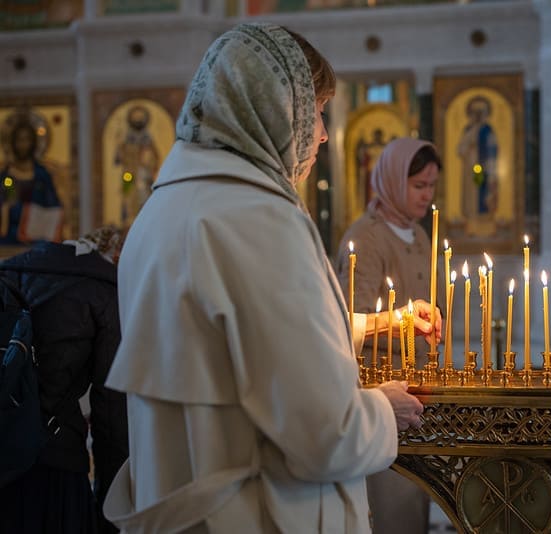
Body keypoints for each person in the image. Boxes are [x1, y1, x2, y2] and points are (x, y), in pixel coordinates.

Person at [102, 23, 438, 533]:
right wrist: (382, 411)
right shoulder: (261, 221)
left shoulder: (159, 212)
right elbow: (327, 435)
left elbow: (232, 346)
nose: (323, 134)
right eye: (317, 112)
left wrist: (373, 324)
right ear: (276, 110)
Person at [335, 137, 443, 534]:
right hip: (380, 385)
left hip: (417, 386)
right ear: (394, 182)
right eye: (418, 185)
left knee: (416, 499)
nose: (426, 195)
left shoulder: (419, 234)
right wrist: (400, 320)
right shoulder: (366, 237)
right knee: (388, 503)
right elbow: (350, 320)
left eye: (431, 186)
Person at [0, 225, 129, 534]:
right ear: (119, 257)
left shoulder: (15, 268)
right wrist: (109, 513)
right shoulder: (104, 290)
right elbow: (110, 417)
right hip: (55, 465)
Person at [0, 117, 63, 244]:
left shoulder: (41, 175)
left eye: (26, 140)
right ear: (13, 143)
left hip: (38, 237)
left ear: (33, 143)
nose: (23, 145)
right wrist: (12, 208)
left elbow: (53, 205)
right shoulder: (9, 177)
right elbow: (9, 199)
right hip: (12, 237)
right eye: (19, 140)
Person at [457, 95, 497, 218]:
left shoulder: (487, 130)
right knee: (471, 194)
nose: (478, 115)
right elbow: (460, 149)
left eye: (481, 112)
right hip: (470, 167)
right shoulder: (468, 129)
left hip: (482, 167)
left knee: (482, 191)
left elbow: (493, 149)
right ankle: (470, 217)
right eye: (476, 113)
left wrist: (491, 170)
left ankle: (483, 217)